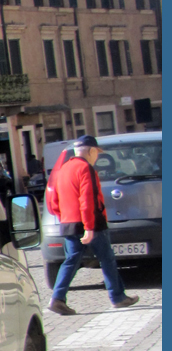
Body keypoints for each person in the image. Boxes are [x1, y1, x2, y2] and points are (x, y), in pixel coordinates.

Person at [47, 135, 139, 315]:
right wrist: (89, 227)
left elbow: (54, 200)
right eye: (96, 152)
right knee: (107, 259)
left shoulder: (63, 169)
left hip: (69, 222)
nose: (97, 156)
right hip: (91, 223)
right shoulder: (85, 168)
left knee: (71, 260)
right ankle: (118, 297)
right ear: (90, 151)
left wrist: (65, 217)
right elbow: (87, 199)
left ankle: (57, 298)